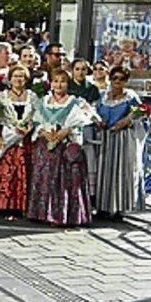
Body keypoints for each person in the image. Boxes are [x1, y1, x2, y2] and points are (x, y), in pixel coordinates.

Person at [26, 69, 94, 227]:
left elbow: (81, 122)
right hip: (46, 144)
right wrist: (43, 131)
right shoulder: (43, 101)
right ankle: (41, 212)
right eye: (55, 81)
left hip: (65, 145)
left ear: (67, 83)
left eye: (62, 81)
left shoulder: (75, 102)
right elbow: (35, 121)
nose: (58, 84)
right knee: (45, 177)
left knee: (63, 180)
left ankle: (61, 215)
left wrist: (67, 130)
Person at [95, 66, 148, 217]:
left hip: (123, 140)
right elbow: (94, 112)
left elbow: (142, 112)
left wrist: (127, 120)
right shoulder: (103, 96)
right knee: (104, 173)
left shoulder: (130, 97)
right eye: (114, 78)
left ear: (126, 81)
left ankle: (120, 208)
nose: (117, 81)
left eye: (121, 79)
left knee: (121, 173)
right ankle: (103, 207)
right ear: (110, 79)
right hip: (105, 138)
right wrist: (99, 121)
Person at [0, 66, 37, 215]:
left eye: (21, 76)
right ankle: (3, 204)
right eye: (15, 76)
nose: (18, 79)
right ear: (10, 78)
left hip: (25, 140)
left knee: (23, 170)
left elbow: (38, 118)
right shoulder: (2, 97)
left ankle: (20, 205)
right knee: (6, 170)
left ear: (26, 79)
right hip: (7, 139)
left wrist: (29, 127)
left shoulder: (33, 97)